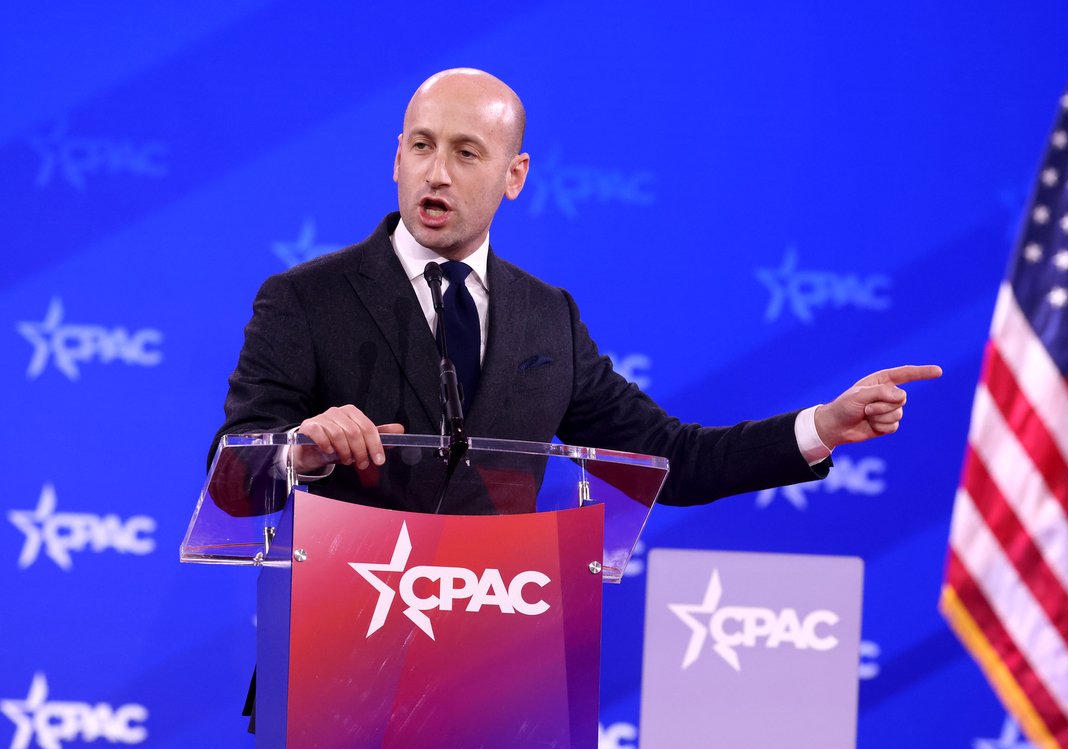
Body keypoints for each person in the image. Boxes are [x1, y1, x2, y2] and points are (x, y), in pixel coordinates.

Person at [212, 68, 941, 512]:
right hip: (333, 647)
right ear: (396, 157)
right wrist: (297, 450)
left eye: (467, 153)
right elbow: (230, 474)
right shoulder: (305, 298)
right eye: (423, 146)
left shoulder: (545, 317)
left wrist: (822, 425)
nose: (437, 173)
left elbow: (667, 459)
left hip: (497, 666)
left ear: (515, 176)